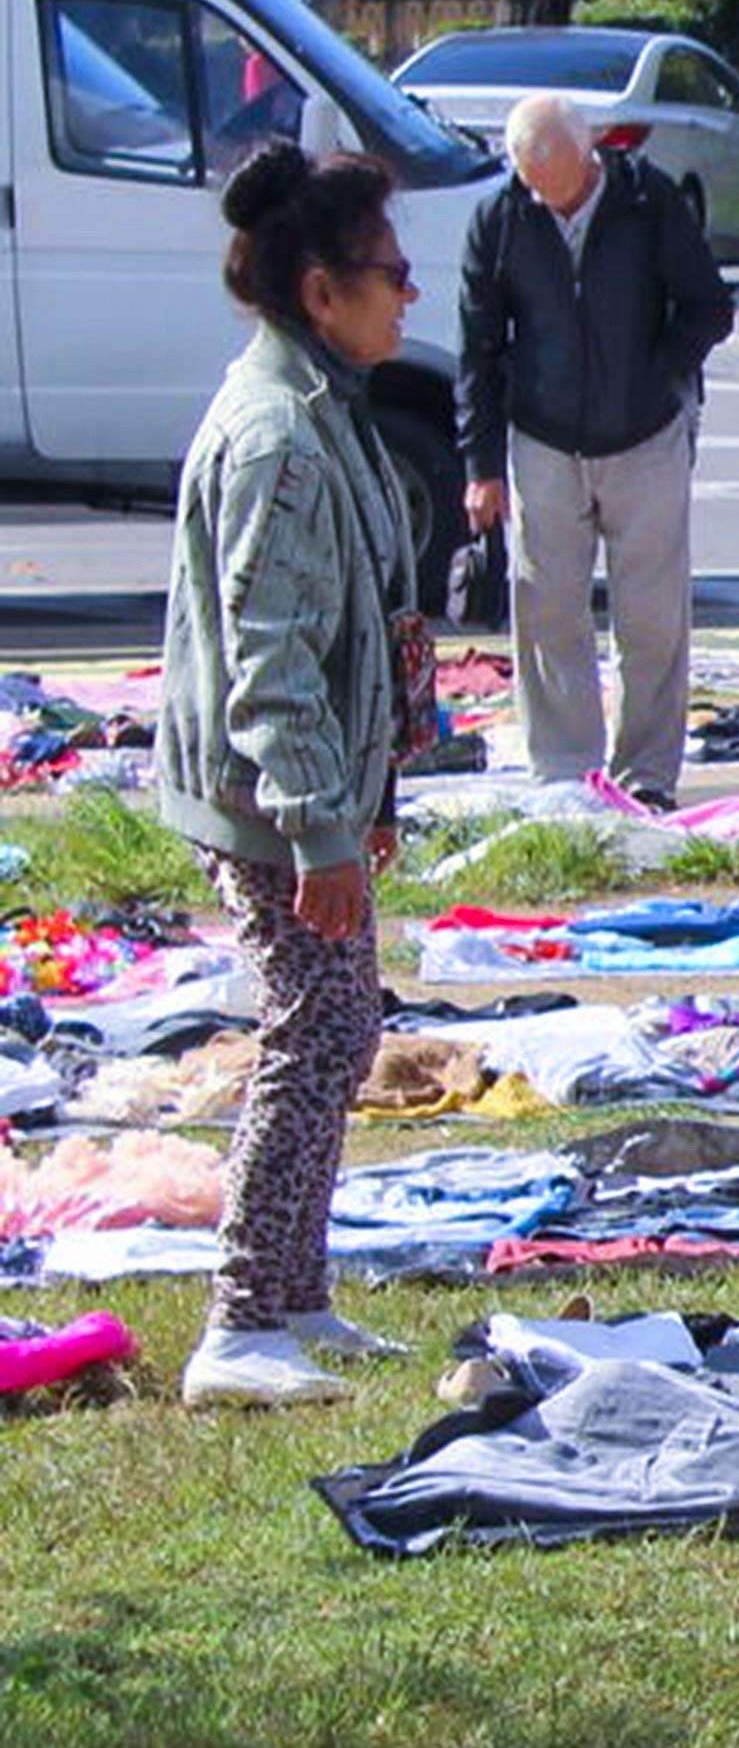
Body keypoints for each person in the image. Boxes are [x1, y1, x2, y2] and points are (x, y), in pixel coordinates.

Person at [157, 147, 428, 1409]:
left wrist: (366, 800)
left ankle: (296, 1293)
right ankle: (240, 1322)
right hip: (268, 799)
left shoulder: (321, 403)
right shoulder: (279, 435)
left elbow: (362, 624)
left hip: (314, 792)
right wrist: (319, 828)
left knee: (342, 1027)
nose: (409, 294)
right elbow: (269, 663)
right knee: (312, 1033)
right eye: (391, 273)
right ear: (323, 291)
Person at [456, 88, 730, 801]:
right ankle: (564, 776)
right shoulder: (502, 217)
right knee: (547, 612)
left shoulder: (648, 201)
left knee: (652, 618)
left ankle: (647, 775)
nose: (547, 200)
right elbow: (478, 347)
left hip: (645, 435)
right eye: (532, 185)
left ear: (590, 155)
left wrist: (661, 372)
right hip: (543, 437)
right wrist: (480, 465)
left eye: (560, 186)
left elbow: (708, 305)